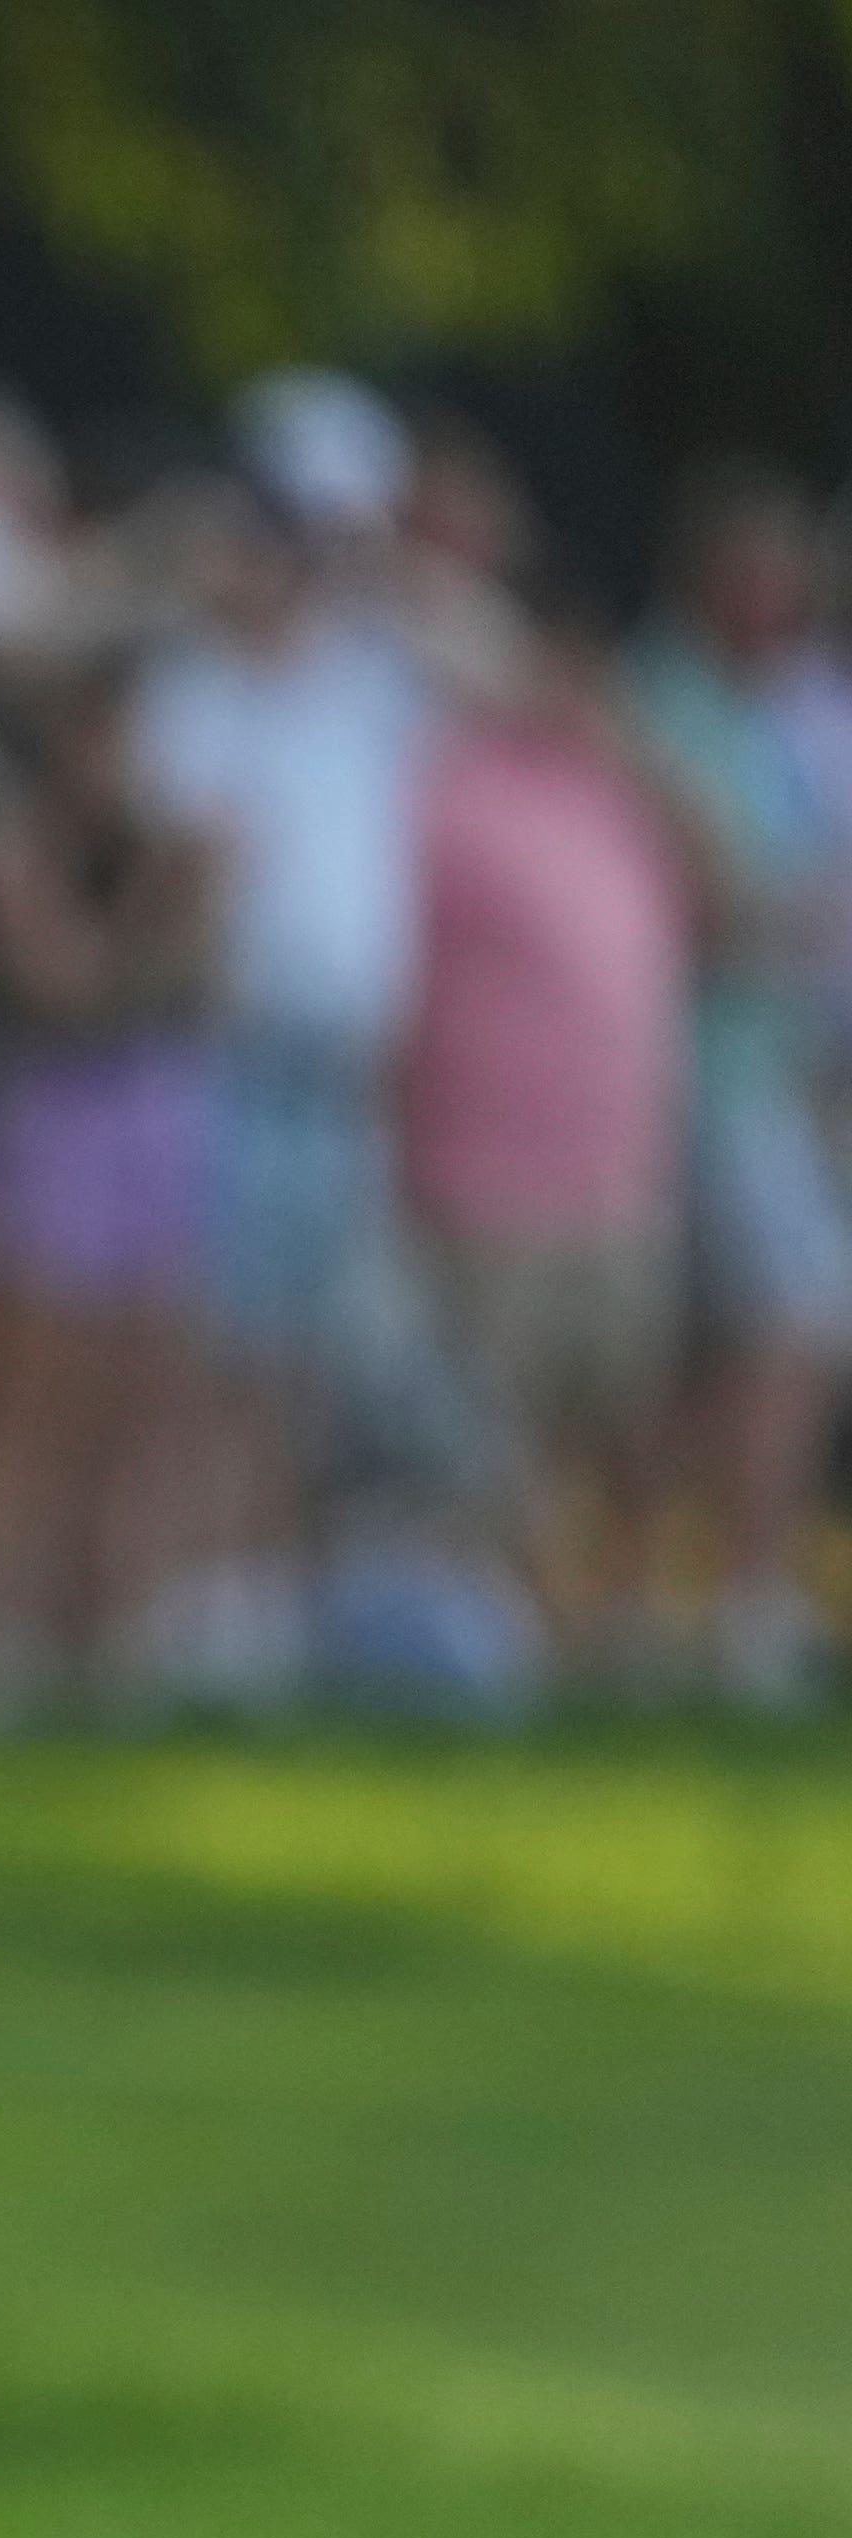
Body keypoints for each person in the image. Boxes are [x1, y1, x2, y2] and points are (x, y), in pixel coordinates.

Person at [131, 388, 436, 1711]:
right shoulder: (183, 687)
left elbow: (501, 657)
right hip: (229, 1061)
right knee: (215, 1357)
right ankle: (193, 1593)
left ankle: (261, 1597)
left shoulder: (367, 680)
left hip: (347, 1075)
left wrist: (363, 564)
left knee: (300, 1368)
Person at [408, 592, 696, 1686]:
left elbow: (739, 895)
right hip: (486, 1172)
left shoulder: (625, 790)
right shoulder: (447, 781)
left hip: (621, 1173)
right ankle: (506, 1643)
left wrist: (641, 754)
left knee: (623, 1420)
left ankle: (618, 1634)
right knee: (499, 1437)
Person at [0, 645, 225, 1722]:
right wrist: (163, 902)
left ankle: (109, 1632)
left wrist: (162, 923)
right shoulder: (13, 843)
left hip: (156, 1121)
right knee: (27, 1392)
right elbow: (63, 987)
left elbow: (198, 981)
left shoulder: (163, 842)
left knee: (138, 1388)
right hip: (46, 1122)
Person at [628, 467, 852, 1709]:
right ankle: (738, 1598)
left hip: (789, 1070)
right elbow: (728, 906)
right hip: (705, 1074)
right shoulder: (670, 704)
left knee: (739, 1350)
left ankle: (677, 1597)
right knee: (790, 1327)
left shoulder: (794, 712)